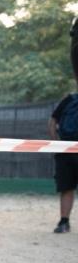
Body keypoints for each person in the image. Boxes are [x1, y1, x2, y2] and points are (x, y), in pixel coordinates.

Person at [50, 18, 78, 233]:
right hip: (66, 149)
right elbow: (52, 121)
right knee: (66, 187)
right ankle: (64, 221)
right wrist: (56, 145)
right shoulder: (69, 99)